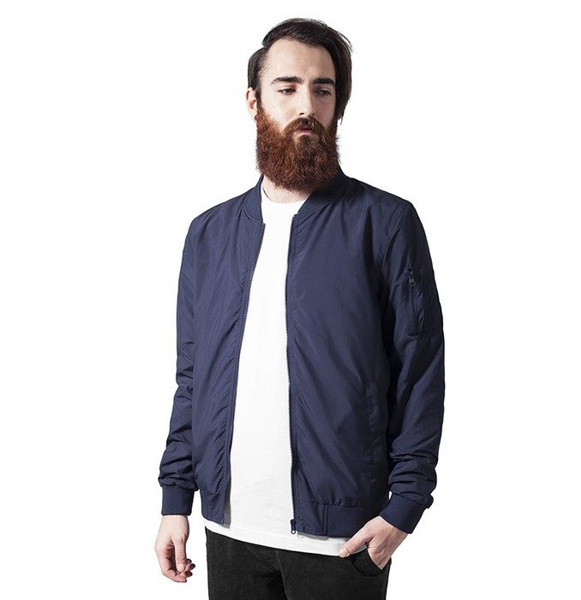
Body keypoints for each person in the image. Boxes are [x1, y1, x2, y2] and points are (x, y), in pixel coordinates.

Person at [155, 17, 445, 600]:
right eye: (286, 88)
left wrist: (406, 506)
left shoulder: (385, 223)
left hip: (343, 537)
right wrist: (175, 499)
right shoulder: (209, 234)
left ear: (339, 105)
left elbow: (420, 372)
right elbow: (193, 378)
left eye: (323, 89)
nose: (306, 106)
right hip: (228, 527)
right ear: (254, 101)